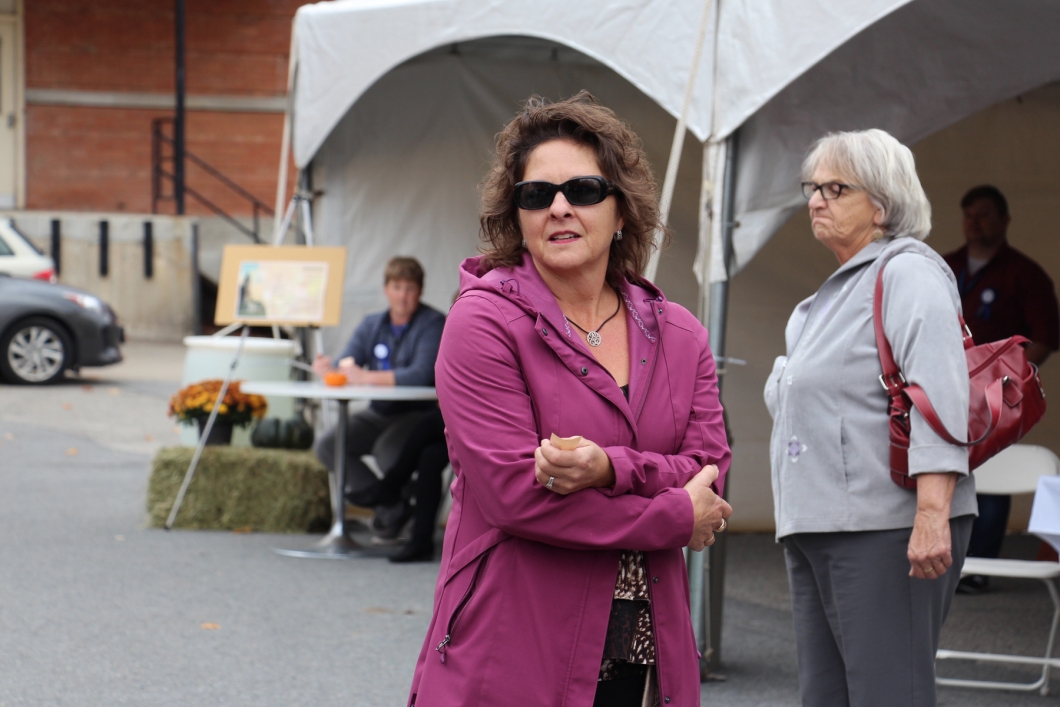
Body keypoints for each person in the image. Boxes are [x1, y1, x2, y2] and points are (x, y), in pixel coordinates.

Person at [406, 92, 732, 707]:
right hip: (514, 653)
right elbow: (516, 499)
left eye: (582, 189)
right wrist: (672, 513)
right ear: (517, 214)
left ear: (622, 211)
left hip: (645, 656)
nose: (558, 207)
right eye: (536, 194)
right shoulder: (483, 323)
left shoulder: (682, 333)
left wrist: (609, 468)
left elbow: (713, 475)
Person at [764, 129, 978, 707]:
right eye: (812, 187)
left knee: (890, 694)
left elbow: (939, 394)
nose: (815, 200)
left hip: (885, 527)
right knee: (825, 697)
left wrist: (932, 514)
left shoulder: (908, 273)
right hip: (818, 526)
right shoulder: (821, 303)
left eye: (835, 188)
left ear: (881, 204)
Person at [942, 186, 1060, 589]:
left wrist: (1008, 382)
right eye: (969, 214)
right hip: (941, 387)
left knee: (991, 469)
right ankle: (940, 556)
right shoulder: (944, 267)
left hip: (994, 393)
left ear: (1005, 220)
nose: (975, 222)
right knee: (940, 463)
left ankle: (977, 567)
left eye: (985, 214)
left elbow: (1045, 336)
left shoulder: (1024, 274)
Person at [313, 256, 445, 538]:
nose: (403, 296)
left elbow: (422, 374)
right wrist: (329, 368)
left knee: (389, 450)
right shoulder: (371, 324)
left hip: (416, 413)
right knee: (328, 445)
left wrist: (365, 377)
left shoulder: (433, 323)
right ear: (386, 289)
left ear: (419, 291)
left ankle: (395, 499)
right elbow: (347, 363)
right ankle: (392, 505)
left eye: (409, 288)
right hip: (378, 412)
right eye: (397, 287)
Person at [351, 407, 448, 563]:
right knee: (430, 457)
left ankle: (390, 486)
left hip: (490, 423)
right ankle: (421, 541)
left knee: (430, 422)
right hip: (468, 420)